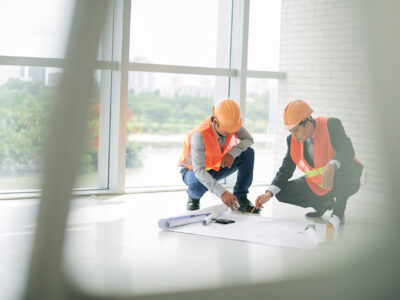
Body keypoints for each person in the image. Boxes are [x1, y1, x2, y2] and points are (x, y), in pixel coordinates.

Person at [255, 100, 363, 224]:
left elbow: (348, 151)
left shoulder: (331, 126)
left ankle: (338, 213)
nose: (294, 135)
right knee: (280, 192)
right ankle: (322, 204)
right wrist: (268, 194)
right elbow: (285, 170)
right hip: (318, 183)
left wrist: (333, 164)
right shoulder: (292, 140)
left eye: (296, 130)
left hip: (345, 177)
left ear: (308, 124)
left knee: (344, 175)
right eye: (291, 131)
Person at [179, 98, 259, 213]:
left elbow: (249, 139)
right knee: (197, 184)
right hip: (192, 171)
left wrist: (232, 154)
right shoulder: (199, 135)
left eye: (233, 130)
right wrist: (222, 192)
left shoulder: (231, 124)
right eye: (227, 131)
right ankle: (193, 198)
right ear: (216, 123)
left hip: (216, 166)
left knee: (248, 153)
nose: (231, 133)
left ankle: (241, 197)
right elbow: (199, 171)